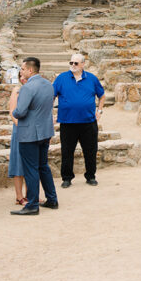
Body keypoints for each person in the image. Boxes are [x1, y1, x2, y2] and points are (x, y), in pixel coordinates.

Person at [10, 57, 58, 215]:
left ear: (30, 70)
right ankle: (52, 199)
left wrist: (14, 112)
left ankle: (32, 205)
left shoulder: (27, 87)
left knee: (31, 169)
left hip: (29, 134)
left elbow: (20, 111)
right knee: (43, 166)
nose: (21, 72)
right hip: (45, 132)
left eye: (23, 69)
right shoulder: (48, 85)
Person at [52, 53, 104, 188]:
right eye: (71, 63)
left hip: (88, 122)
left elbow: (102, 96)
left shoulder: (92, 78)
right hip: (68, 122)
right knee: (67, 151)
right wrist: (50, 112)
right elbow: (52, 96)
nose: (73, 66)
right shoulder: (61, 78)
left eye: (76, 63)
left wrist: (99, 111)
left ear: (82, 64)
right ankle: (67, 178)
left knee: (90, 151)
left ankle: (91, 176)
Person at [7, 73, 28, 205]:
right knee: (18, 163)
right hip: (20, 129)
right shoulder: (17, 90)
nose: (22, 78)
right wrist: (20, 126)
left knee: (31, 165)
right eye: (20, 76)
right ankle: (19, 197)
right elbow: (12, 112)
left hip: (31, 130)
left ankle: (31, 195)